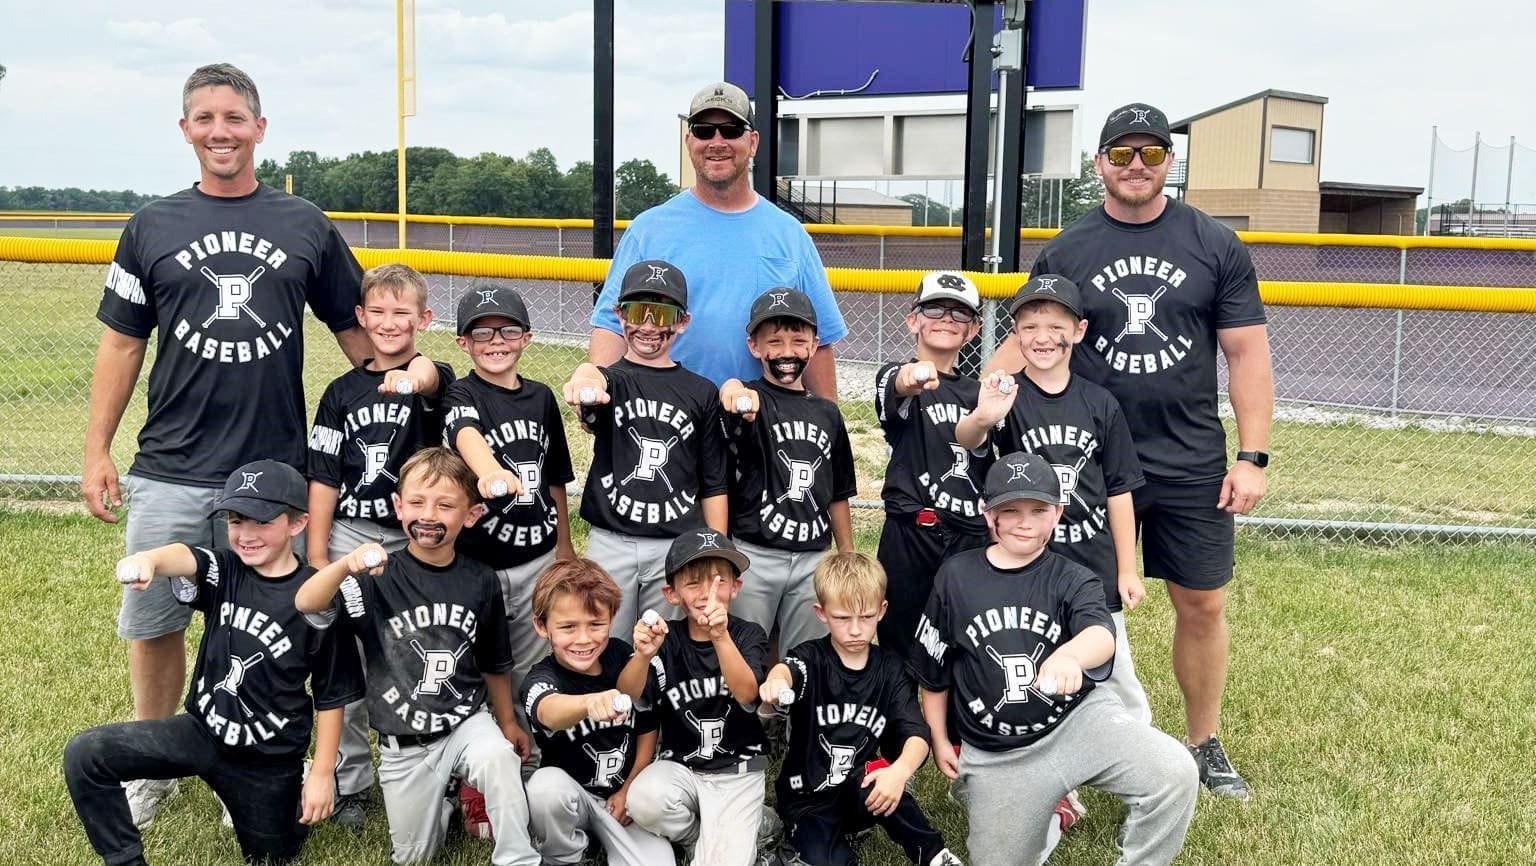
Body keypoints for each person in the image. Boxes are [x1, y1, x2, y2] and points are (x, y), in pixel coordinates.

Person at [81, 61, 369, 827]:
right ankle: (157, 761)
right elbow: (120, 346)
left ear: (260, 128)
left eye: (234, 118)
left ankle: (270, 755)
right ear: (185, 130)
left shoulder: (304, 222)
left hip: (272, 472)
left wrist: (411, 395)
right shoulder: (152, 226)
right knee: (156, 621)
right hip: (173, 462)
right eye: (204, 118)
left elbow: (356, 335)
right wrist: (96, 450)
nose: (220, 131)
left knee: (280, 622)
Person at [986, 102, 1273, 798]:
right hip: (1080, 460)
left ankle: (1201, 742)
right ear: (1100, 163)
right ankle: (1057, 743)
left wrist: (1252, 455)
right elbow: (1028, 338)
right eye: (1122, 153)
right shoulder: (1070, 248)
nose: (1136, 165)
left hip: (1188, 458)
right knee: (1062, 605)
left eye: (1151, 153)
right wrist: (968, 409)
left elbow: (1246, 354)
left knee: (1201, 604)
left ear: (1170, 161)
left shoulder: (1214, 243)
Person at [63, 460, 363, 865]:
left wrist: (325, 773)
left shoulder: (317, 599)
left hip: (267, 758)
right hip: (202, 732)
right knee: (86, 754)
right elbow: (185, 556)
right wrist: (151, 559)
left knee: (271, 857)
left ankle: (295, 785)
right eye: (236, 520)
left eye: (261, 521)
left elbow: (332, 693)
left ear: (297, 524)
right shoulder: (227, 570)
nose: (245, 534)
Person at [912, 452, 1198, 866]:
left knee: (1175, 772)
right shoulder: (955, 577)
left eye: (1038, 509)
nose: (1024, 522)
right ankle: (1042, 809)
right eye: (1009, 511)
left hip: (1076, 724)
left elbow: (1102, 636)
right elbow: (934, 671)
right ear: (986, 513)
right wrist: (940, 738)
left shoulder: (1073, 576)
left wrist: (1069, 654)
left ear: (1058, 513)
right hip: (999, 750)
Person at [295, 448, 539, 866]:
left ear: (472, 515)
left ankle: (518, 858)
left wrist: (509, 722)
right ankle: (443, 800)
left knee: (498, 756)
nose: (429, 514)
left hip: (466, 723)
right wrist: (343, 567)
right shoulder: (377, 577)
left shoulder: (480, 580)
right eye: (418, 502)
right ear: (398, 506)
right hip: (404, 742)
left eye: (446, 505)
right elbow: (307, 602)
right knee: (414, 857)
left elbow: (494, 661)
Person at [957, 275, 1151, 724]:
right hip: (1030, 558)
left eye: (1055, 326)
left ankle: (1141, 753)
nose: (1042, 338)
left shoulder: (1100, 403)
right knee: (1041, 663)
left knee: (1114, 668)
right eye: (1029, 327)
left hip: (1092, 558)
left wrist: (1127, 567)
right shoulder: (1008, 396)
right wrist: (985, 415)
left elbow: (1119, 490)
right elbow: (967, 438)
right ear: (1016, 334)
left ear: (1079, 331)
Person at [305, 262, 455, 828]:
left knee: (417, 649)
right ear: (361, 318)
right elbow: (323, 476)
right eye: (380, 313)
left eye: (403, 313)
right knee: (349, 654)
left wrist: (416, 375)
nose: (390, 323)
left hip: (414, 538)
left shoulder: (434, 379)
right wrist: (319, 555)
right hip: (351, 532)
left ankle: (430, 769)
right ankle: (349, 780)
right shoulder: (341, 393)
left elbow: (433, 378)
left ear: (424, 318)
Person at [588, 81, 847, 397]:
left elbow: (819, 342)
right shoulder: (649, 229)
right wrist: (599, 402)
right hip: (664, 415)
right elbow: (613, 326)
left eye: (731, 130)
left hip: (758, 422)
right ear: (689, 141)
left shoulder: (789, 235)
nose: (717, 141)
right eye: (704, 130)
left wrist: (827, 424)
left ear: (752, 142)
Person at [758, 552, 963, 866]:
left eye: (865, 617)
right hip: (806, 796)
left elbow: (916, 732)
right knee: (825, 858)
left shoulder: (891, 669)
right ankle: (797, 844)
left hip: (858, 786)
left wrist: (900, 771)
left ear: (882, 611)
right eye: (842, 618)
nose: (855, 629)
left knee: (882, 781)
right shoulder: (811, 657)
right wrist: (775, 680)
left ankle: (935, 856)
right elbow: (789, 669)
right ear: (821, 613)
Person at [444, 283, 577, 763]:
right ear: (463, 343)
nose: (495, 341)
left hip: (535, 556)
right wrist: (491, 472)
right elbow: (465, 433)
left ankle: (527, 753)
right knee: (474, 660)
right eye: (482, 334)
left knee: (526, 661)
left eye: (507, 331)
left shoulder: (541, 398)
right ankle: (473, 762)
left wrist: (564, 547)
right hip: (480, 560)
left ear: (527, 337)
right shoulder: (462, 392)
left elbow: (556, 476)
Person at [563, 260, 729, 635]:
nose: (649, 325)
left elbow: (714, 482)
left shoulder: (701, 391)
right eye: (638, 312)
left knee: (666, 646)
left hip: (676, 541)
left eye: (663, 313)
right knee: (606, 638)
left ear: (683, 321)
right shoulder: (611, 383)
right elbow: (591, 379)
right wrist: (584, 375)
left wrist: (715, 551)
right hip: (612, 540)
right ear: (619, 315)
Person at [617, 529, 773, 866]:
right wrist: (642, 656)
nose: (708, 593)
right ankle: (696, 836)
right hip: (682, 768)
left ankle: (759, 824)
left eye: (719, 581)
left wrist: (720, 637)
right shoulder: (666, 639)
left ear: (736, 587)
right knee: (643, 799)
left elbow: (748, 693)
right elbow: (628, 694)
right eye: (694, 583)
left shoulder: (748, 634)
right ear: (671, 594)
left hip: (738, 769)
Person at [719, 287, 857, 654]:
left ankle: (789, 714)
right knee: (746, 651)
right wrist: (732, 390)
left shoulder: (827, 412)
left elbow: (839, 490)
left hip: (813, 554)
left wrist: (846, 555)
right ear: (754, 347)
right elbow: (732, 404)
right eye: (774, 341)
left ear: (814, 346)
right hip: (755, 552)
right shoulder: (749, 399)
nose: (786, 352)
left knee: (804, 656)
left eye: (799, 341)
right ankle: (748, 713)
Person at [519, 558, 674, 866]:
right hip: (573, 799)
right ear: (541, 626)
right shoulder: (542, 677)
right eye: (567, 627)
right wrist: (588, 703)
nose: (583, 639)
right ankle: (565, 856)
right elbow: (548, 710)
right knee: (544, 788)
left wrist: (629, 789)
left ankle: (610, 839)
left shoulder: (621, 655)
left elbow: (646, 726)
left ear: (612, 617)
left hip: (625, 796)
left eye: (595, 624)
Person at [873, 272, 995, 664]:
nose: (946, 318)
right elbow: (899, 383)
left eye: (959, 314)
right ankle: (903, 724)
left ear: (974, 329)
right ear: (913, 320)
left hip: (968, 535)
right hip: (912, 530)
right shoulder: (895, 373)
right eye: (934, 309)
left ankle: (952, 726)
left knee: (964, 644)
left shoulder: (980, 393)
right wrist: (914, 375)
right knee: (899, 644)